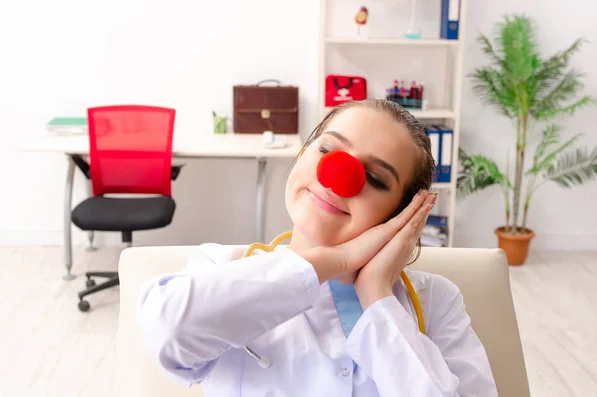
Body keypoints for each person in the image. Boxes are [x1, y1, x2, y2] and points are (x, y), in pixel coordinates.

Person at [136, 99, 499, 397]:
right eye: (327, 149)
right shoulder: (221, 265)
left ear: (404, 216)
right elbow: (167, 336)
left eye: (373, 178)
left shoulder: (437, 301)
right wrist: (334, 261)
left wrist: (377, 296)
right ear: (304, 153)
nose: (337, 177)